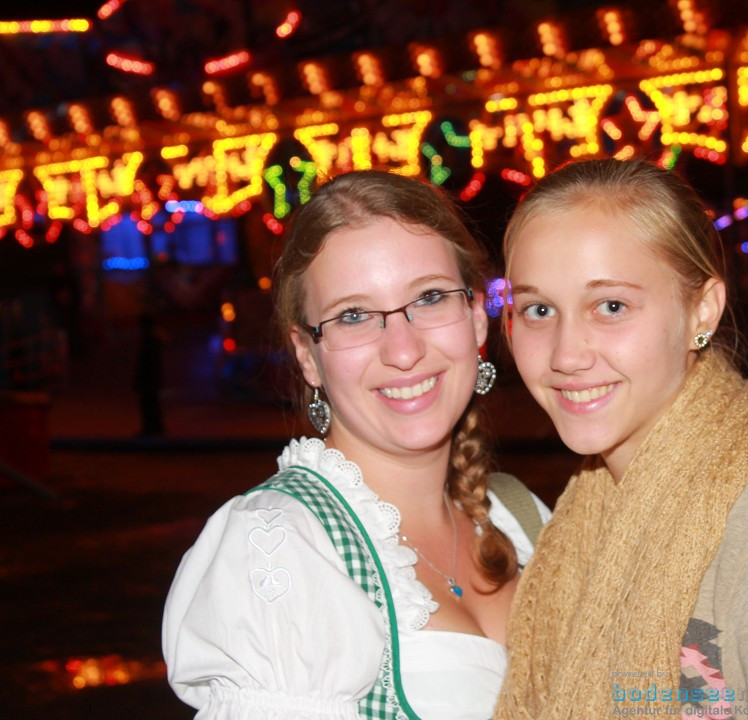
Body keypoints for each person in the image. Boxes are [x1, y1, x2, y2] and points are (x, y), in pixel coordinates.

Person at [495, 159, 748, 719]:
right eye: (538, 310)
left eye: (611, 306)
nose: (565, 355)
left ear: (701, 309)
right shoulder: (587, 516)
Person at [163, 170, 550, 720]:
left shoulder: (521, 517)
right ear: (306, 355)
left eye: (431, 297)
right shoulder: (281, 546)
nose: (403, 348)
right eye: (353, 315)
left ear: (475, 317)